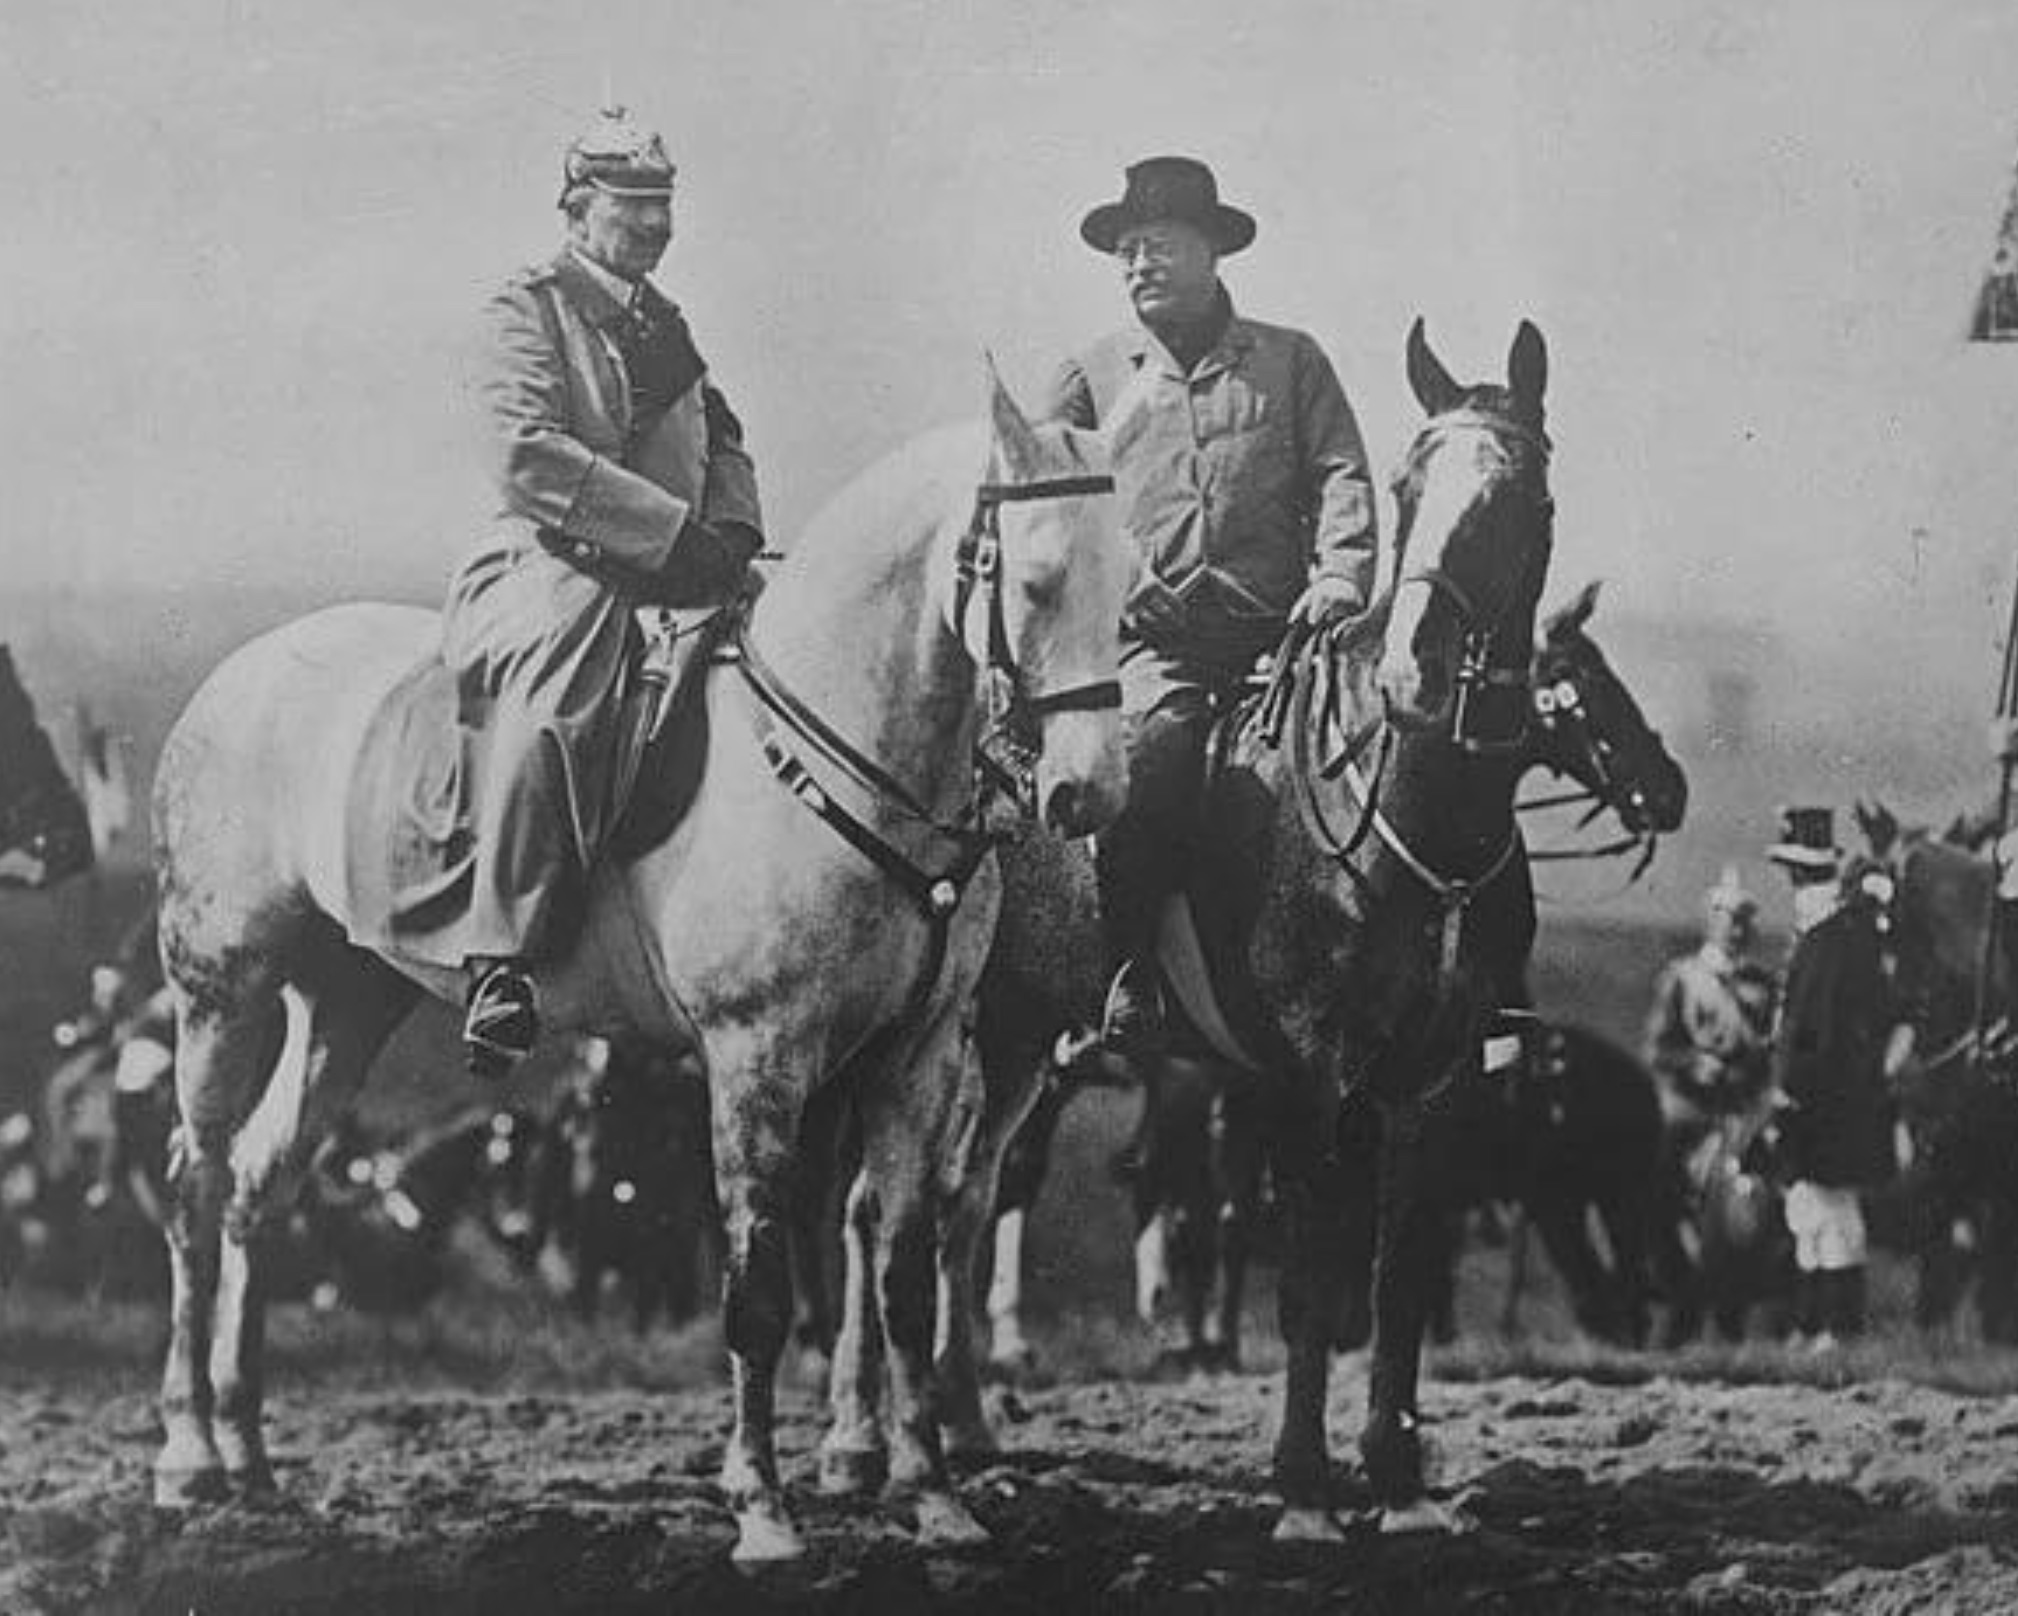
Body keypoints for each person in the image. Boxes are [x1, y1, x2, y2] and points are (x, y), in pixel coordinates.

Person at [442, 107, 766, 1075]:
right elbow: (526, 454)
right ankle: (498, 956)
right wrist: (670, 537)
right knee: (556, 707)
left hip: (680, 567)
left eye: (662, 205)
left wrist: (734, 531)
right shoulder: (528, 306)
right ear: (577, 209)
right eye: (630, 205)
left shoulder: (662, 321)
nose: (653, 225)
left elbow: (724, 435)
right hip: (557, 560)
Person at [1045, 156, 1379, 1053]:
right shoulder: (1088, 375)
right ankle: (1129, 978)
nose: (1136, 265)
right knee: (1155, 764)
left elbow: (1341, 471)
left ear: (1210, 253)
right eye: (1125, 252)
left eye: (1156, 245)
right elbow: (1051, 513)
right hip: (1154, 648)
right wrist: (1120, 582)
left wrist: (1342, 571)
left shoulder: (1290, 361)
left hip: (1290, 645)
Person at [1767, 806, 1900, 1345]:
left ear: (1800, 874)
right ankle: (1814, 1323)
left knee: (1831, 1212)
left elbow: (1818, 1032)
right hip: (1827, 1095)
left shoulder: (1831, 938)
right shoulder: (1834, 933)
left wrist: (1792, 1092)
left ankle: (1837, 1327)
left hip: (1828, 1099)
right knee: (1811, 1209)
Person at [1642, 867, 1779, 1194]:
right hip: (1693, 1101)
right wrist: (1693, 1062)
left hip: (1745, 1103)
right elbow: (1656, 1049)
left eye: (1745, 922)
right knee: (1662, 1159)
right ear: (1711, 923)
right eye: (1731, 920)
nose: (1738, 930)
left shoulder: (1763, 985)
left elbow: (1774, 1046)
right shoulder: (1683, 978)